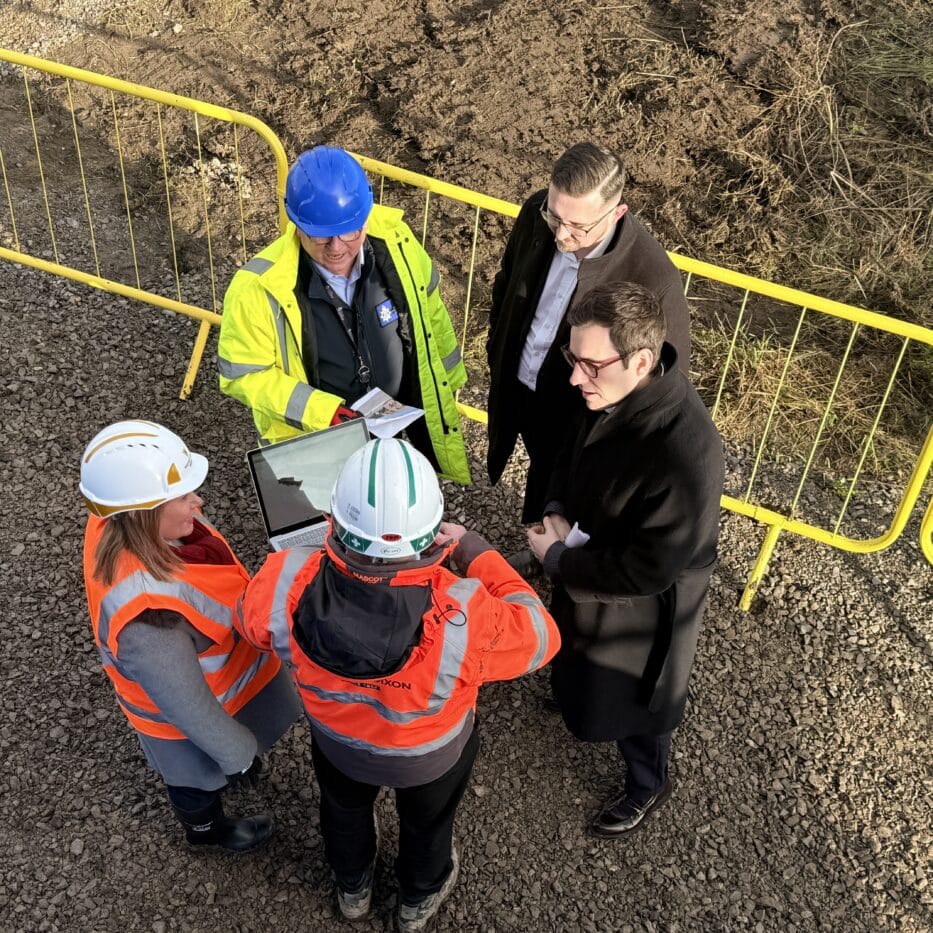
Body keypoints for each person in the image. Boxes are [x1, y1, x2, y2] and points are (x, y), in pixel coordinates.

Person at [238, 437, 559, 929]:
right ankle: (416, 903)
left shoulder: (284, 579)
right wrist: (477, 553)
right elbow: (542, 636)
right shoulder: (465, 613)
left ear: (333, 522)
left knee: (343, 813)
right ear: (435, 535)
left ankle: (352, 889)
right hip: (430, 757)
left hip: (340, 745)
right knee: (429, 826)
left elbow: (249, 624)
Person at [526, 283, 722, 838]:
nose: (573, 378)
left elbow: (646, 570)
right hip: (589, 564)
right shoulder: (604, 389)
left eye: (588, 365)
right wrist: (557, 507)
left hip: (645, 609)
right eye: (572, 358)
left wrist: (561, 561)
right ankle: (571, 692)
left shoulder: (688, 453)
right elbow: (567, 455)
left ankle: (647, 781)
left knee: (639, 696)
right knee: (581, 655)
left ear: (641, 360)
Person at [80, 420, 301, 851]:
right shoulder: (148, 619)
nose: (198, 502)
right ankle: (207, 832)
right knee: (194, 782)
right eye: (182, 497)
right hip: (187, 726)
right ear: (144, 514)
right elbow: (188, 707)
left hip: (216, 700)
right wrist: (237, 755)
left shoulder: (121, 520)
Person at [218, 145, 471, 484]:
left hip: (394, 431)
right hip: (315, 445)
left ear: (366, 217)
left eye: (350, 232)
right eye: (320, 235)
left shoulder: (399, 245)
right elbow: (244, 375)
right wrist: (322, 412)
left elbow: (432, 316)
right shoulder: (257, 288)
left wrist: (446, 387)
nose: (337, 248)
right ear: (295, 223)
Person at [486, 141, 692, 530]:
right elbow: (507, 282)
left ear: (617, 212)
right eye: (555, 217)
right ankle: (538, 540)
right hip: (522, 383)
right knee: (538, 471)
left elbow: (665, 379)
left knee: (562, 486)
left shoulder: (653, 276)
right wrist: (496, 346)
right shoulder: (536, 212)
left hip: (580, 411)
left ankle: (558, 559)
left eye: (579, 227)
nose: (562, 235)